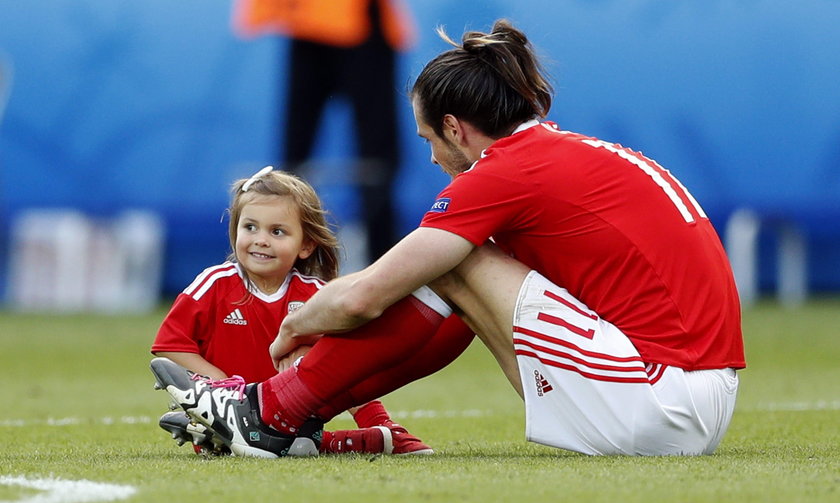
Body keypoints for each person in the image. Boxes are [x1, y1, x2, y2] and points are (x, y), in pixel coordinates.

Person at [151, 19, 745, 458]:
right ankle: (283, 417)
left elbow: (365, 297)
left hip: (660, 399)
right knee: (459, 277)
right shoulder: (562, 155)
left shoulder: (504, 172)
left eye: (430, 139)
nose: (434, 159)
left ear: (457, 129)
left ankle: (268, 411)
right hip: (692, 397)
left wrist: (298, 324)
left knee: (451, 263)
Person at [150, 166, 434, 455]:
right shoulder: (214, 284)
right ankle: (336, 442)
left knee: (336, 375)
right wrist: (225, 392)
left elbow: (349, 361)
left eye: (277, 231)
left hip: (295, 419)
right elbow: (171, 346)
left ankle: (383, 430)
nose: (261, 239)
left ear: (306, 245)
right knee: (292, 448)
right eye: (250, 227)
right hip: (226, 416)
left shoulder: (316, 295)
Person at [232, 0, 416, 262]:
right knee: (295, 161)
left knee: (377, 163)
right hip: (309, 24)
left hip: (359, 26)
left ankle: (384, 264)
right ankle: (282, 259)